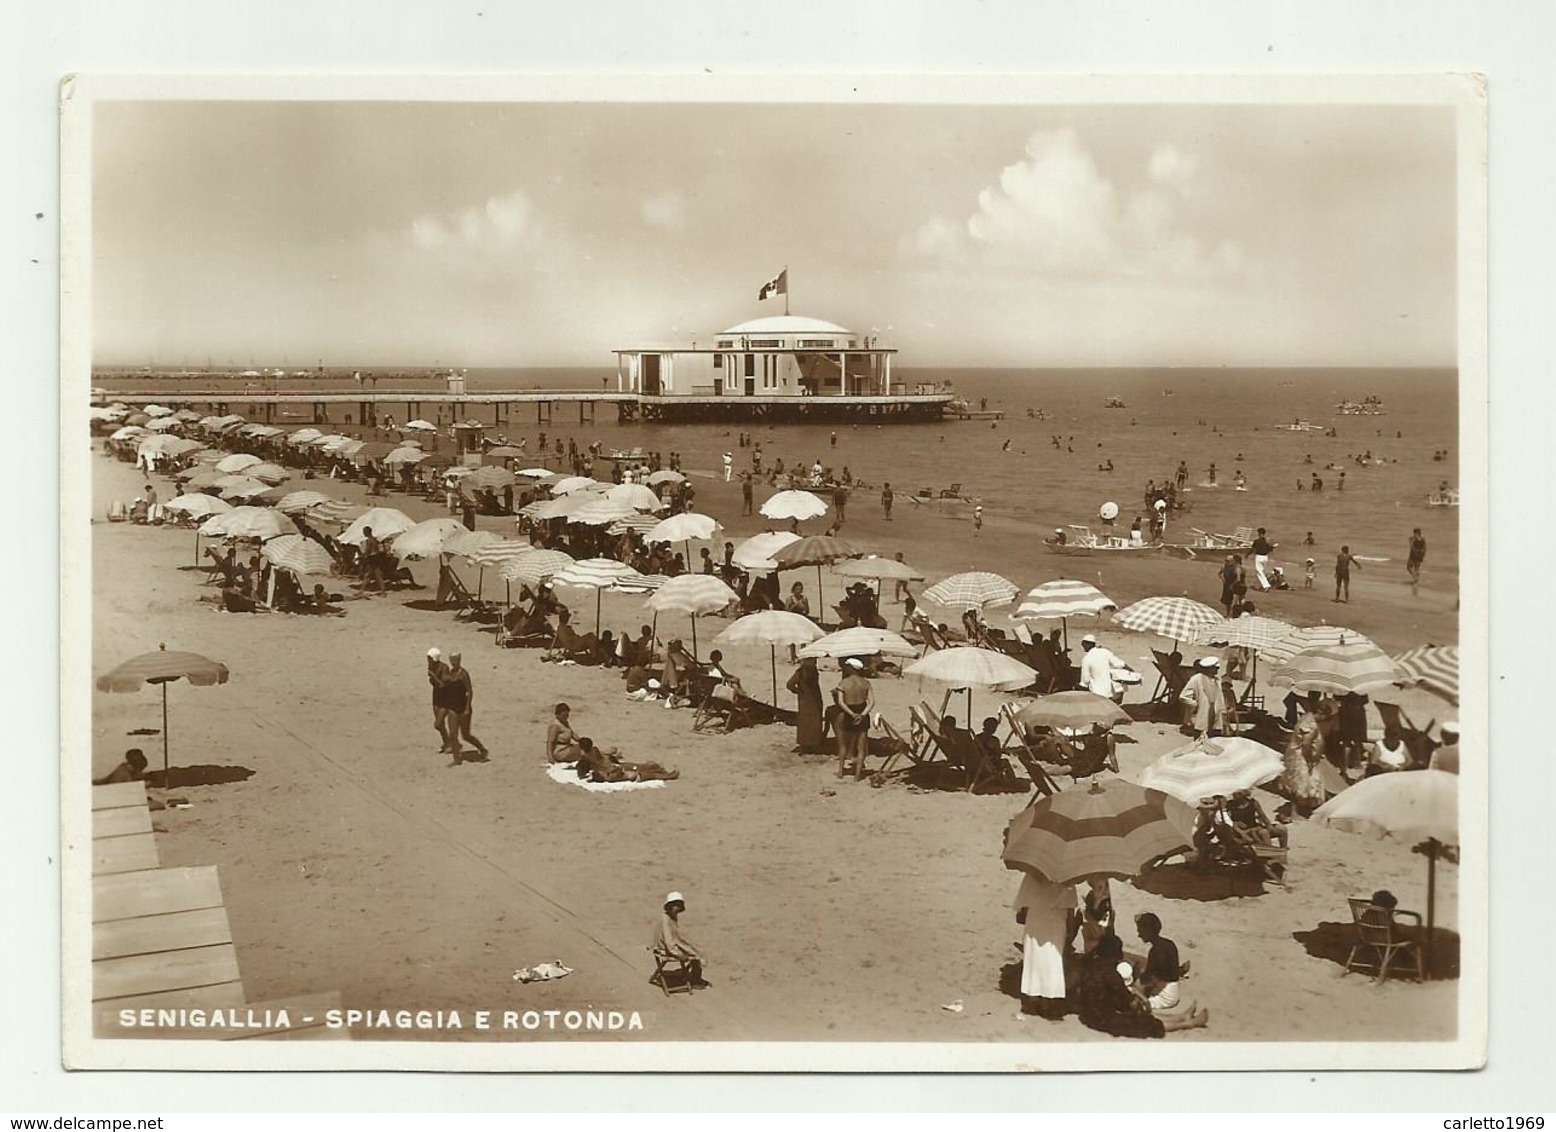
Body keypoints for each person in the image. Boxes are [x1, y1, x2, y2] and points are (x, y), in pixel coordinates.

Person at [1012, 870, 1077, 1019]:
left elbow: (1022, 902)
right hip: (1055, 922)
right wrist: (1070, 930)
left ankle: (1032, 997)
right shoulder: (1067, 876)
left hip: (1036, 919)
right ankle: (1049, 999)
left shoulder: (1033, 873)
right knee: (1052, 959)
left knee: (1034, 958)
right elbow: (1071, 907)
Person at [1134, 912, 1186, 1014]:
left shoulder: (1155, 951)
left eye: (1140, 931)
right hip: (1173, 989)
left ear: (1148, 931)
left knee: (1135, 1001)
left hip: (1166, 997)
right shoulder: (1169, 943)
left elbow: (1146, 979)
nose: (1139, 935)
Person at [832, 658, 875, 780]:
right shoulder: (866, 683)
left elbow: (841, 702)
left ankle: (841, 771)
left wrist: (852, 714)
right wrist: (862, 715)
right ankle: (857, 774)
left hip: (848, 713)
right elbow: (871, 702)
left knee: (843, 745)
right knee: (861, 747)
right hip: (863, 712)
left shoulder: (843, 683)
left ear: (850, 668)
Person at [653, 892, 707, 988]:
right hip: (665, 949)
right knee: (695, 954)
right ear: (669, 906)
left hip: (670, 945)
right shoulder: (666, 920)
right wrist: (679, 954)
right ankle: (695, 980)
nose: (676, 908)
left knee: (697, 949)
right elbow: (668, 942)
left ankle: (695, 977)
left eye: (678, 906)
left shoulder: (671, 917)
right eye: (674, 906)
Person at [440, 653, 488, 763]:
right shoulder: (450, 673)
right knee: (453, 734)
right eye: (451, 660)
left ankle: (482, 749)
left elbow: (469, 691)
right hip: (452, 707)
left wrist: (467, 708)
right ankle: (456, 759)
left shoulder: (464, 674)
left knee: (466, 735)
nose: (453, 662)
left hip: (463, 706)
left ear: (459, 660)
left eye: (455, 660)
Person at [574, 737, 679, 783]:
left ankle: (662, 771)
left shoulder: (587, 756)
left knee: (642, 769)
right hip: (614, 769)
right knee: (641, 771)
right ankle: (666, 774)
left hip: (614, 768)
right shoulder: (591, 753)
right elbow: (605, 756)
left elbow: (581, 771)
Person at [786, 656, 825, 754]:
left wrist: (798, 691)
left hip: (804, 700)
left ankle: (805, 744)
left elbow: (790, 685)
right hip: (815, 699)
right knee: (815, 721)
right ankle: (813, 744)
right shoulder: (811, 671)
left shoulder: (801, 672)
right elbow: (789, 684)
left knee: (805, 722)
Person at [1179, 657, 1224, 737]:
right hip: (1202, 715)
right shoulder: (1197, 679)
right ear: (1209, 668)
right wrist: (1196, 704)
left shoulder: (1217, 681)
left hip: (1215, 716)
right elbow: (1183, 696)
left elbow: (1220, 699)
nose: (1217, 670)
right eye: (1216, 668)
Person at [1078, 634, 1129, 702]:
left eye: (1082, 644)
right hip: (1112, 693)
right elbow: (1120, 664)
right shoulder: (1105, 652)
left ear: (1086, 644)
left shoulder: (1086, 659)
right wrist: (1133, 672)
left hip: (1097, 694)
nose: (1082, 646)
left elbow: (1085, 681)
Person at [1078, 877, 1115, 956]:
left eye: (1100, 887)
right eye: (1094, 886)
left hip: (1102, 937)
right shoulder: (1091, 897)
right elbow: (1088, 914)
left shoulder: (1107, 901)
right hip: (1092, 934)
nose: (1097, 890)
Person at [427, 647, 454, 753]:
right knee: (440, 724)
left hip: (445, 699)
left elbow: (443, 685)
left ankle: (449, 742)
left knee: (437, 724)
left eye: (429, 658)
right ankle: (447, 743)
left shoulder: (444, 668)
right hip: (436, 697)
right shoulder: (431, 667)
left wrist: (433, 676)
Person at [1406, 528, 1427, 592]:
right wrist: (1423, 555)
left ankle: (1415, 578)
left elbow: (1411, 546)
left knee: (1408, 567)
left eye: (1415, 533)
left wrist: (1411, 541)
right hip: (1420, 555)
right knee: (1416, 568)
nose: (1414, 534)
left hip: (1413, 555)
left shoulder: (1412, 539)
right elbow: (1425, 548)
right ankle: (1415, 581)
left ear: (1416, 533)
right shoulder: (1423, 539)